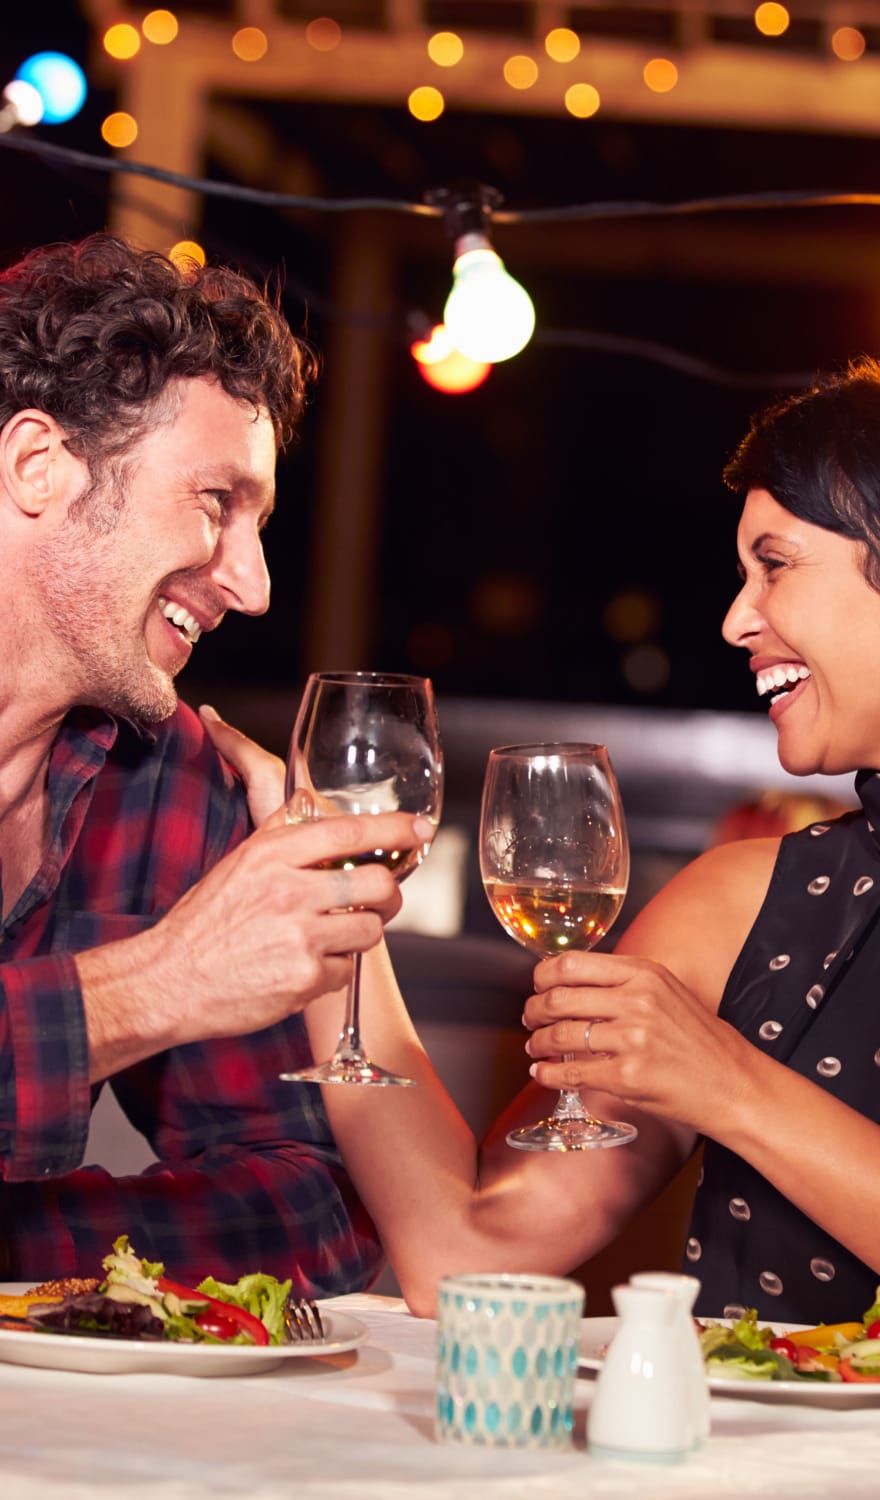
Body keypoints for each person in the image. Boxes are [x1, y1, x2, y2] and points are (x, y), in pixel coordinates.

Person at [295, 348, 880, 1348]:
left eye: (776, 563)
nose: (735, 619)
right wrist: (335, 922)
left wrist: (730, 1084)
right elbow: (468, 1255)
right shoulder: (735, 906)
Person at [0, 233, 428, 1291]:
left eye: (262, 521)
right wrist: (162, 982)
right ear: (37, 468)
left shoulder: (171, 779)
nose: (254, 582)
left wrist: (23, 1260)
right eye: (215, 501)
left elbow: (314, 1204)